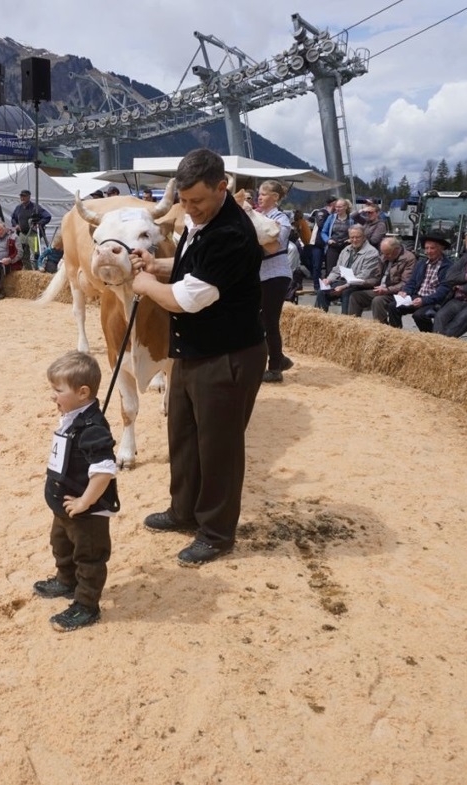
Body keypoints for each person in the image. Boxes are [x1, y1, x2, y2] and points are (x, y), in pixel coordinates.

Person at [130, 148, 266, 566]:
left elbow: (184, 300)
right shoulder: (201, 220)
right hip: (193, 351)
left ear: (223, 187)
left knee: (219, 448)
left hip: (228, 356)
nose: (189, 209)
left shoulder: (231, 235)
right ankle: (183, 510)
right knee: (184, 436)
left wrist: (144, 285)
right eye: (184, 201)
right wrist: (157, 265)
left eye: (197, 201)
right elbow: (192, 267)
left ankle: (216, 533)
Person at [33, 351, 120, 632]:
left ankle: (86, 605)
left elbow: (104, 470)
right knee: (62, 545)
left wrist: (85, 501)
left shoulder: (93, 428)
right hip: (66, 505)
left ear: (83, 393)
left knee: (89, 557)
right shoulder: (73, 416)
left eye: (58, 390)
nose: (53, 396)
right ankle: (66, 581)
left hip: (87, 512)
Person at [255, 180, 295, 383]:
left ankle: (275, 368)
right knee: (258, 319)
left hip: (276, 275)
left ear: (275, 197)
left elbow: (273, 247)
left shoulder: (282, 219)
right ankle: (279, 358)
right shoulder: (259, 216)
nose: (259, 197)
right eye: (259, 193)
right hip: (260, 275)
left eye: (263, 194)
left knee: (269, 320)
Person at [390, 233, 452, 331]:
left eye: (432, 248)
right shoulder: (421, 263)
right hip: (417, 296)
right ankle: (396, 335)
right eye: (426, 248)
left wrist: (424, 301)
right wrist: (405, 291)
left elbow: (443, 291)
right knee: (393, 306)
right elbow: (412, 282)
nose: (428, 251)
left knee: (419, 315)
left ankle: (430, 337)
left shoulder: (448, 266)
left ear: (441, 248)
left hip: (434, 301)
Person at [315, 224, 381, 314]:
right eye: (352, 237)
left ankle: (345, 320)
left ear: (364, 237)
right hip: (342, 282)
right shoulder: (346, 250)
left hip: (360, 284)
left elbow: (363, 276)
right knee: (322, 291)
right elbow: (337, 269)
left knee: (347, 293)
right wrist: (329, 280)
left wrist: (344, 287)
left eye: (358, 237)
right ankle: (319, 318)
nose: (354, 240)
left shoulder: (372, 253)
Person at [357, 237, 416, 320]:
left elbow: (406, 282)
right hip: (380, 288)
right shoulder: (384, 256)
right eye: (383, 253)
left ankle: (380, 326)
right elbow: (376, 277)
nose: (385, 256)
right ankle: (352, 324)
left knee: (378, 300)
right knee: (356, 296)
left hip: (395, 292)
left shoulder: (409, 258)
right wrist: (362, 282)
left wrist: (387, 290)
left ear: (396, 250)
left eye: (388, 254)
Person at [11, 189, 51, 268]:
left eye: (24, 196)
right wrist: (16, 225)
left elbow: (47, 216)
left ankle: (37, 269)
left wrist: (39, 223)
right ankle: (27, 270)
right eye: (21, 196)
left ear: (29, 197)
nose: (22, 198)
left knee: (36, 253)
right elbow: (13, 218)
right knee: (22, 253)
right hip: (22, 234)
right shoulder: (18, 208)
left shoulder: (36, 207)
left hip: (34, 235)